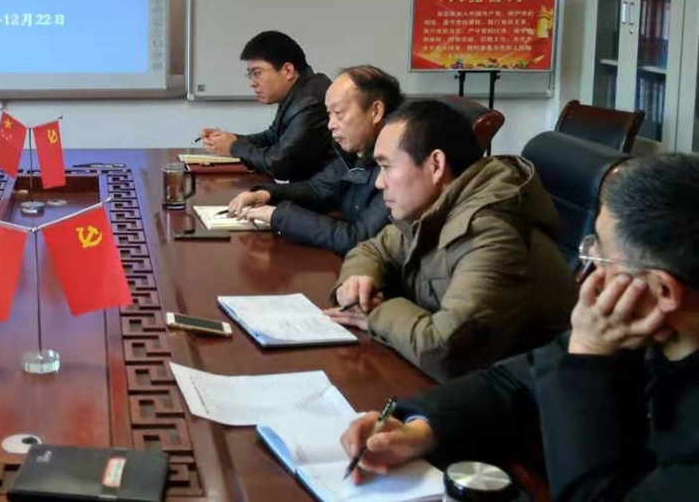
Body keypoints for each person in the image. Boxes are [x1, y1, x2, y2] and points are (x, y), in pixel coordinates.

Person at [339, 153, 699, 500]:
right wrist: (420, 429)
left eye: (599, 254)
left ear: (664, 291)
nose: (590, 271)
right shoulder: (636, 324)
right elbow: (514, 382)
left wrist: (589, 356)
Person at [329, 100, 575, 382]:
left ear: (435, 165)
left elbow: (447, 352)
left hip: (526, 396)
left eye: (386, 166)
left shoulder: (493, 234)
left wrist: (377, 313)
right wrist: (358, 281)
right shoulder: (431, 209)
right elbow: (373, 249)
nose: (379, 182)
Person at [228, 65, 402, 255]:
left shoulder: (398, 167)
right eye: (329, 114)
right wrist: (267, 194)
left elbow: (359, 239)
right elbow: (317, 190)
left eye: (339, 114)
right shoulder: (352, 154)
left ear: (376, 111)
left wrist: (278, 215)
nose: (330, 125)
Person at [199, 31, 333, 180]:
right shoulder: (298, 91)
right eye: (250, 74)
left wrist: (233, 147)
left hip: (320, 193)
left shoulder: (311, 102)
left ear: (288, 70)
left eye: (257, 73)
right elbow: (272, 137)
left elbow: (280, 164)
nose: (252, 83)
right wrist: (232, 138)